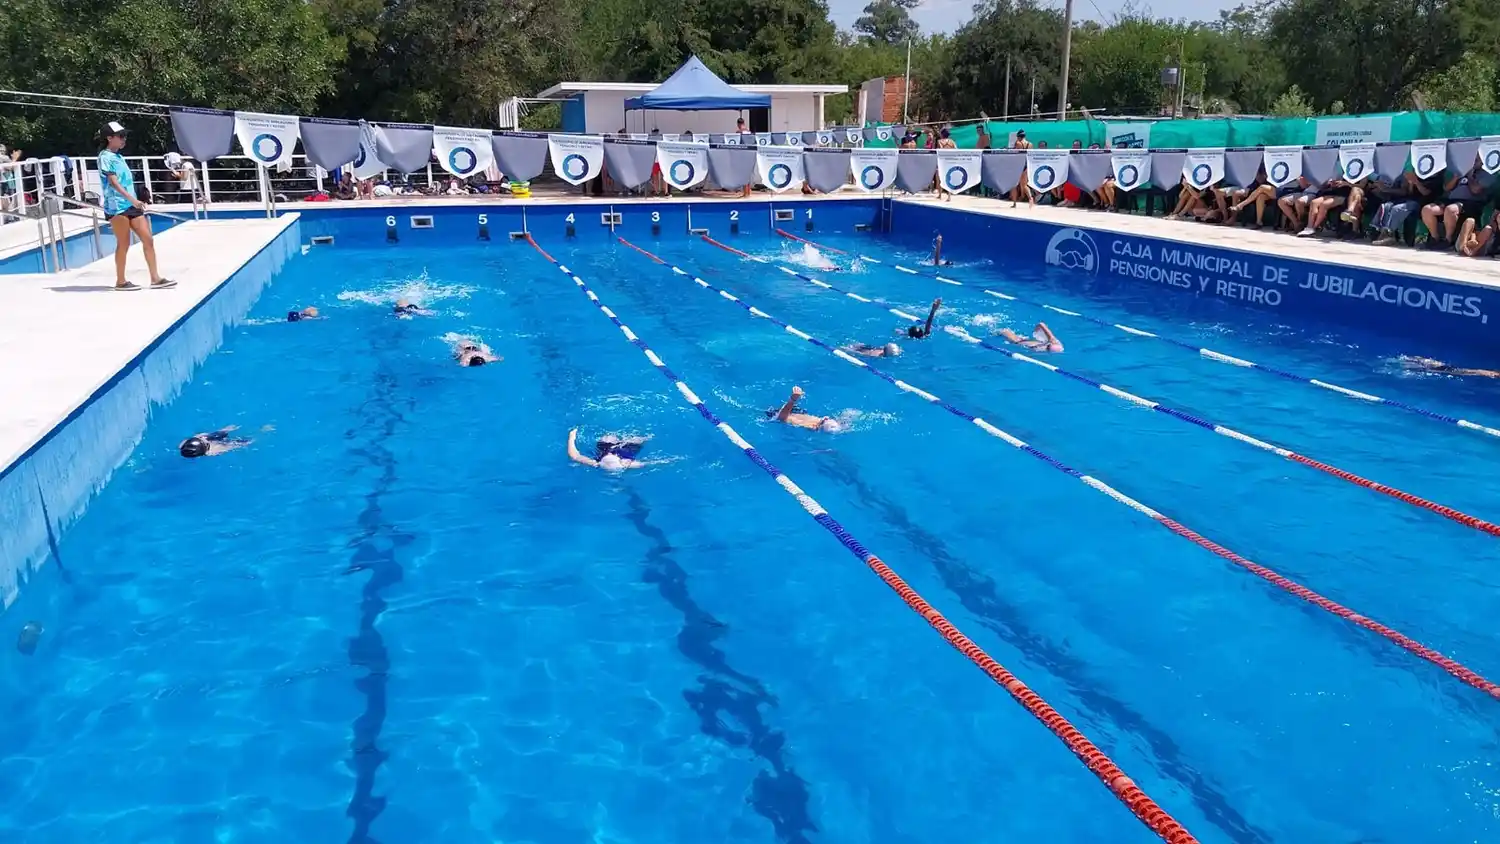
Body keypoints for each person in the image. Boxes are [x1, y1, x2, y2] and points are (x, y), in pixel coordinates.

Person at [98, 121, 174, 292]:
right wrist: (133, 200)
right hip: (117, 206)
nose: (124, 139)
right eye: (120, 136)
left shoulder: (118, 156)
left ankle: (155, 278)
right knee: (123, 243)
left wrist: (135, 200)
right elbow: (114, 182)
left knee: (148, 239)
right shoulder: (105, 157)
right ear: (109, 138)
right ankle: (121, 281)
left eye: (124, 135)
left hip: (130, 204)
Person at [769, 386, 844, 432]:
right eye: (827, 418)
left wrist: (793, 400)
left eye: (824, 421)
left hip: (776, 415)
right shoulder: (817, 423)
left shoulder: (809, 425)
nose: (826, 417)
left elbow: (781, 418)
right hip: (794, 412)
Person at [568, 429, 650, 471]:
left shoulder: (596, 463)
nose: (611, 454)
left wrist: (571, 438)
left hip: (606, 448)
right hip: (627, 450)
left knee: (607, 438)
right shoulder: (627, 464)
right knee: (638, 439)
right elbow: (652, 462)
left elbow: (574, 456)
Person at [179, 426, 252, 458]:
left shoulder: (212, 451)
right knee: (242, 441)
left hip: (203, 441)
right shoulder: (213, 450)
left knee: (243, 442)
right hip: (203, 440)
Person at [1402, 356, 1500, 378]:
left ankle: (1414, 359)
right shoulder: (1490, 374)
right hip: (1452, 370)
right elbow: (1479, 371)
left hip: (1451, 369)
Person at [998, 321, 1064, 353]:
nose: (1046, 347)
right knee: (1002, 331)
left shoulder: (1052, 343)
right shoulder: (1052, 339)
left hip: (1024, 341)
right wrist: (1036, 331)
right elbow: (1041, 324)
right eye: (1048, 346)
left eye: (1047, 348)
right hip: (1018, 341)